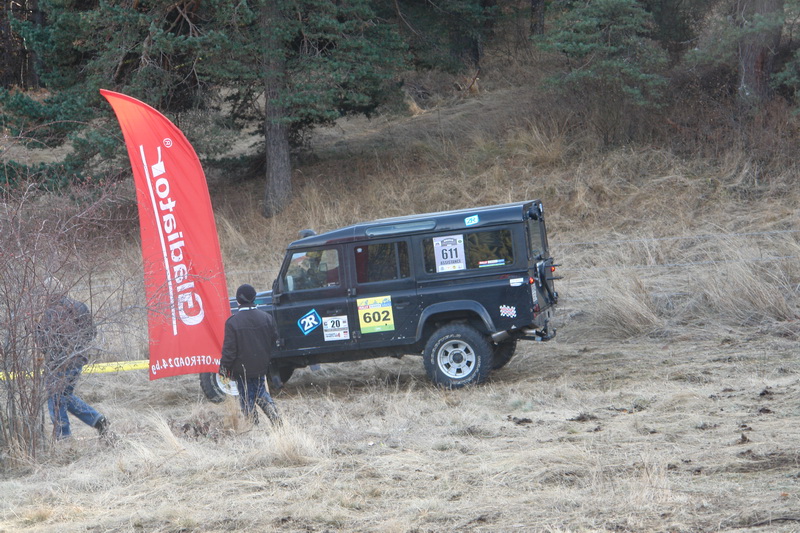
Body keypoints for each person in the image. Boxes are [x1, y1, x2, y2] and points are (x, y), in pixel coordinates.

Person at [37, 282, 109, 441]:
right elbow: (91, 333)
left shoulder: (49, 313)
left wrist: (36, 330)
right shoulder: (79, 306)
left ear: (47, 294)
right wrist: (77, 348)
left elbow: (43, 343)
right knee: (64, 396)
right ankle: (98, 421)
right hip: (78, 360)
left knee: (56, 399)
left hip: (58, 364)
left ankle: (63, 437)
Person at [219, 284, 280, 425]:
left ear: (238, 300)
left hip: (241, 370)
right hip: (261, 366)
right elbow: (274, 341)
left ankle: (253, 425)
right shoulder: (267, 318)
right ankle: (274, 415)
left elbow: (229, 351)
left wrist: (223, 370)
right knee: (261, 392)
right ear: (254, 298)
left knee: (246, 398)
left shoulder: (232, 322)